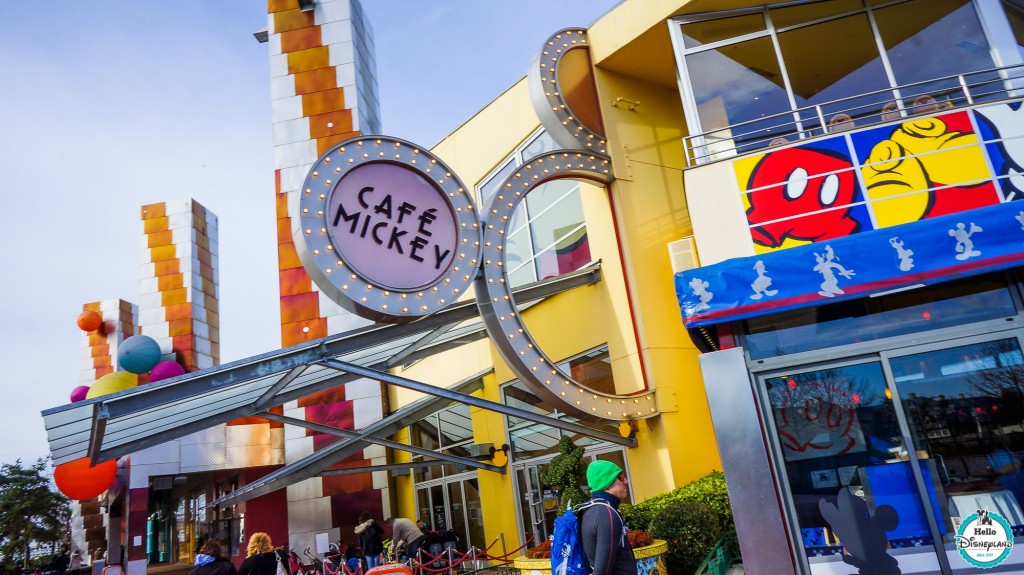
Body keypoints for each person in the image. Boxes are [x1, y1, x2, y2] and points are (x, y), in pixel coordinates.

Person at [580, 461, 637, 575]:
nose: (626, 481)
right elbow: (602, 571)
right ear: (607, 482)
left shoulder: (590, 509)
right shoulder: (607, 515)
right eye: (620, 477)